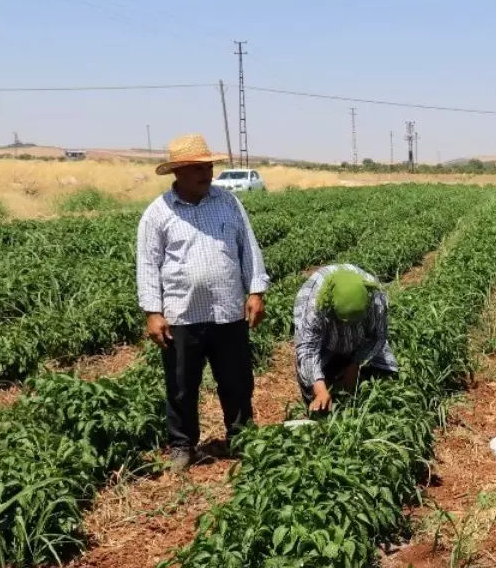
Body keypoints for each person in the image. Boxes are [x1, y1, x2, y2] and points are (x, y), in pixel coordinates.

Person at [137, 135, 268, 473]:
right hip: (182, 314)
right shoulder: (157, 214)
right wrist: (153, 311)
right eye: (197, 168)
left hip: (227, 311)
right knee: (181, 386)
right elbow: (148, 265)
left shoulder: (228, 203)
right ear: (177, 172)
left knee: (237, 380)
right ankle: (182, 446)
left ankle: (241, 437)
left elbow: (248, 248)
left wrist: (256, 291)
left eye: (208, 166)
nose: (206, 173)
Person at [293, 264, 398, 413]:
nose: (347, 328)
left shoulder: (375, 298)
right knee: (317, 391)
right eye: (343, 323)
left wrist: (355, 364)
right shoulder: (317, 304)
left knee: (377, 374)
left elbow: (378, 336)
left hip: (358, 332)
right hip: (324, 328)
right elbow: (308, 348)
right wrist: (320, 389)